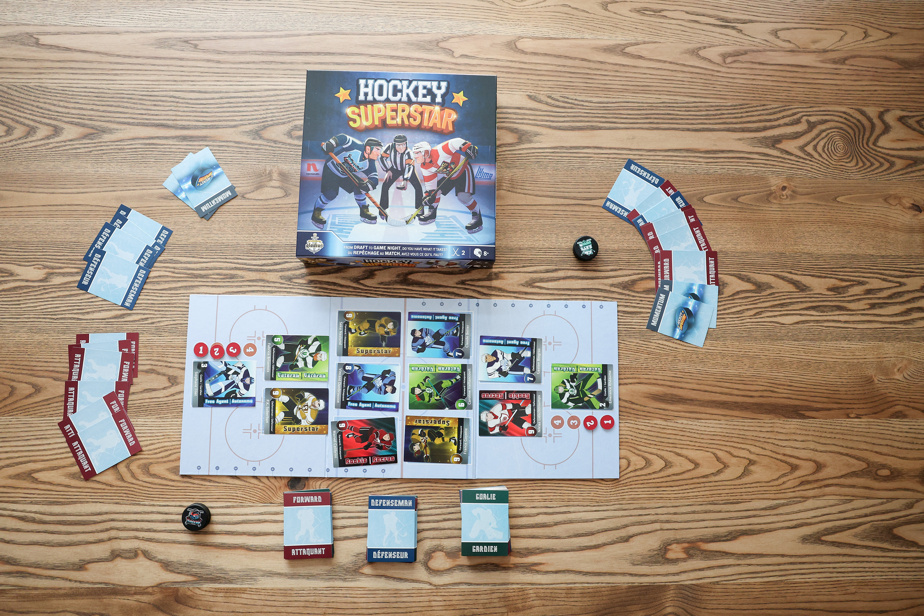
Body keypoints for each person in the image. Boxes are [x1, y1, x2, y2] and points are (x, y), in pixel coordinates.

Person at [312, 133, 383, 228]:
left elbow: (374, 178)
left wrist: (367, 186)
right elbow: (344, 138)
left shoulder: (370, 163)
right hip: (331, 169)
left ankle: (364, 212)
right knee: (331, 194)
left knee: (360, 187)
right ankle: (316, 212)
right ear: (368, 148)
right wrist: (331, 143)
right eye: (377, 149)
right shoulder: (356, 146)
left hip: (345, 174)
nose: (379, 153)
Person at [410, 138, 481, 232]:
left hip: (463, 170)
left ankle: (477, 217)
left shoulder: (439, 151)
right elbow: (431, 185)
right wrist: (429, 196)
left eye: (417, 153)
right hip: (450, 175)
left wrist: (467, 147)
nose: (415, 156)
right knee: (434, 193)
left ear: (425, 153)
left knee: (463, 197)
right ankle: (432, 214)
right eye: (414, 153)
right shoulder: (425, 167)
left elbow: (455, 142)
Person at [378, 134, 422, 219]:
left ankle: (420, 208)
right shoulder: (389, 147)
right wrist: (387, 170)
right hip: (394, 169)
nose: (401, 147)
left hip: (407, 168)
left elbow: (409, 167)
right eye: (398, 145)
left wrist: (405, 180)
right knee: (385, 186)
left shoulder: (409, 153)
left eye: (403, 144)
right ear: (394, 144)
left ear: (406, 144)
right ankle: (382, 209)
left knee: (418, 187)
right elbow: (381, 158)